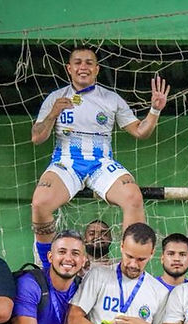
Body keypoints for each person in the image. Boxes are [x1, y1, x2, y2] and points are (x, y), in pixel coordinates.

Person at [30, 46, 169, 244]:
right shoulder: (55, 97)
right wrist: (53, 113)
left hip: (100, 163)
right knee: (39, 202)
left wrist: (155, 110)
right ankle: (46, 265)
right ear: (69, 68)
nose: (83, 67)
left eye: (89, 63)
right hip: (67, 162)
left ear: (97, 69)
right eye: (78, 62)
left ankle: (131, 261)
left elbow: (140, 132)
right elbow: (37, 137)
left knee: (133, 197)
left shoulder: (111, 99)